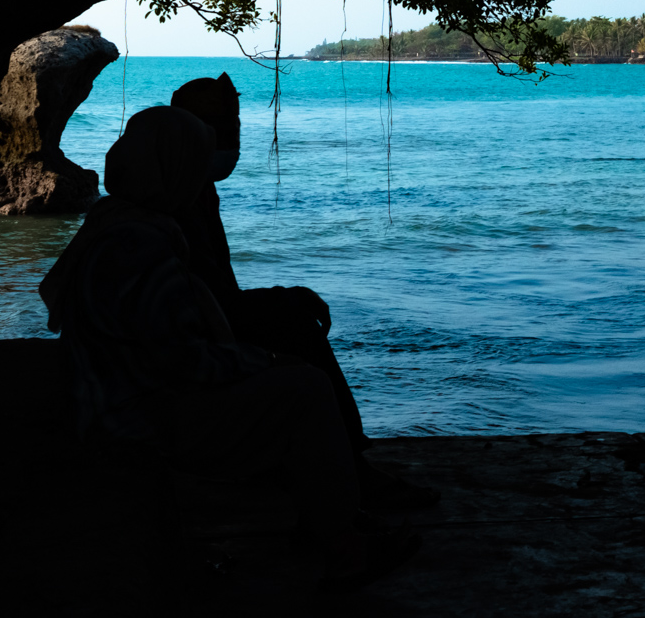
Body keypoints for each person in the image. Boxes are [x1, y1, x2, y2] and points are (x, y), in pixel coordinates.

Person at [39, 106, 418, 589]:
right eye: (194, 165)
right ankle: (343, 546)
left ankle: (332, 522)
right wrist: (267, 361)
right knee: (304, 388)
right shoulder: (140, 247)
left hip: (119, 398)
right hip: (138, 416)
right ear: (173, 168)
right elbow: (183, 360)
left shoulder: (115, 225)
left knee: (291, 378)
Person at [155, 74, 436, 510]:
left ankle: (343, 461)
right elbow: (211, 304)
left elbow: (216, 294)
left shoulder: (192, 189)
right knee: (296, 329)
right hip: (185, 349)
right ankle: (349, 472)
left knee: (292, 318)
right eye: (217, 127)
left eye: (235, 125)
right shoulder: (174, 203)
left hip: (199, 329)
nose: (231, 137)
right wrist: (283, 301)